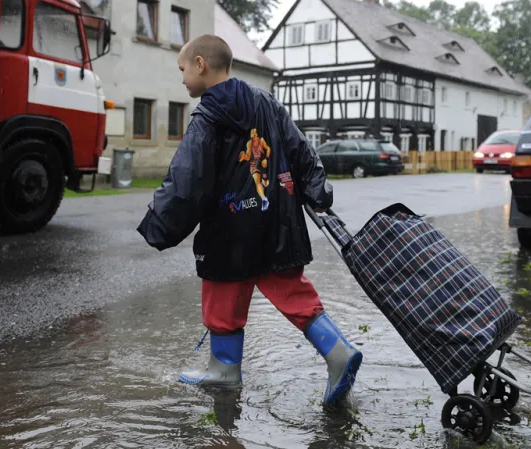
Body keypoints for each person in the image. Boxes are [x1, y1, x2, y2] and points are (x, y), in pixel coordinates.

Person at [136, 34, 362, 406]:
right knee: (294, 292)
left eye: (182, 70)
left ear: (200, 64)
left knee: (222, 298)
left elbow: (187, 180)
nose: (181, 79)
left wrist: (159, 223)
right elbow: (300, 148)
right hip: (277, 224)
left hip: (228, 233)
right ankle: (338, 353)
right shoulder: (266, 102)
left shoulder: (207, 117)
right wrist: (318, 192)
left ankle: (224, 371)